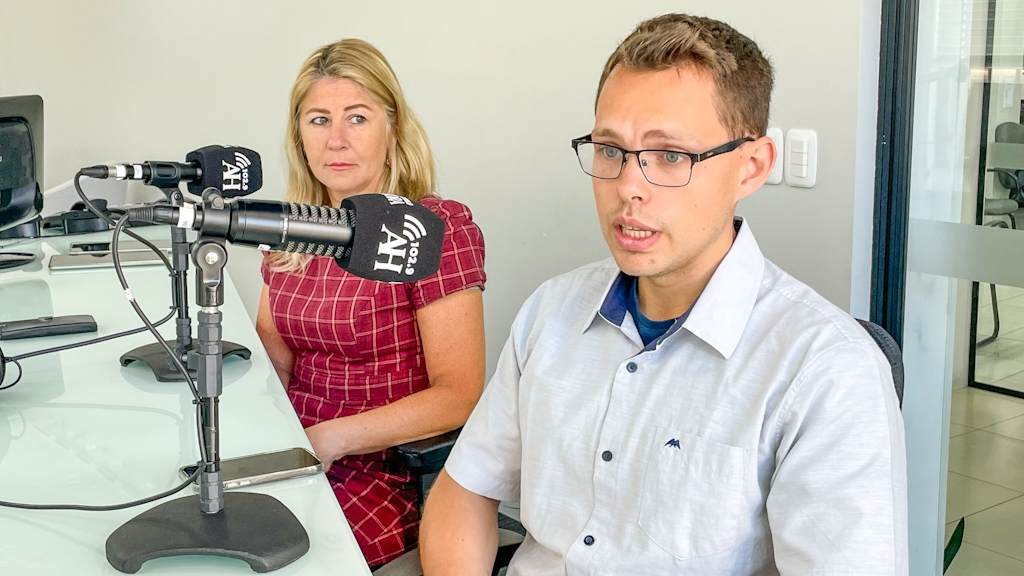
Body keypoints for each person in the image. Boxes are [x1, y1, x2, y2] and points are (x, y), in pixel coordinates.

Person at [420, 13, 908, 575]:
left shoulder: (826, 370)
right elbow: (468, 488)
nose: (629, 186)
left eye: (670, 156)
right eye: (610, 150)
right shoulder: (550, 312)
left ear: (751, 168)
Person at [256, 38, 486, 568]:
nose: (336, 140)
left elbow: (459, 394)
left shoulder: (432, 228)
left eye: (356, 118)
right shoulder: (290, 232)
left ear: (393, 128)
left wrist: (328, 440)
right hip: (298, 453)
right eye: (318, 120)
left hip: (384, 470)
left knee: (285, 559)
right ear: (299, 136)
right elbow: (276, 365)